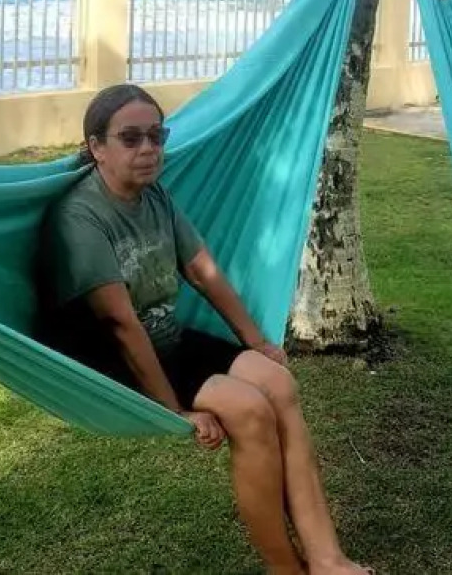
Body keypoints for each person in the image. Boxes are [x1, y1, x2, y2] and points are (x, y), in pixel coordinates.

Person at [33, 83, 370, 575]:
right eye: (130, 138)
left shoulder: (155, 197)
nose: (148, 148)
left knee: (279, 384)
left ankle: (327, 558)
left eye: (156, 135)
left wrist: (254, 339)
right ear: (96, 147)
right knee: (250, 411)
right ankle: (287, 570)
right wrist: (177, 411)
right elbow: (121, 325)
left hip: (164, 338)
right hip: (111, 358)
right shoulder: (79, 218)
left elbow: (202, 270)